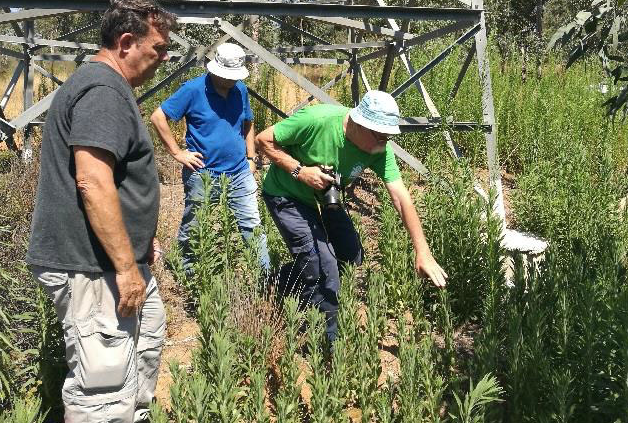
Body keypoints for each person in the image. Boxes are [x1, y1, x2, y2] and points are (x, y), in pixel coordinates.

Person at [26, 0, 176, 423]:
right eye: (159, 49)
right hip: (93, 267)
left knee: (147, 333)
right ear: (127, 42)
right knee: (103, 380)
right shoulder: (104, 90)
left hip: (113, 261)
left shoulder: (107, 89)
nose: (163, 58)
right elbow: (92, 180)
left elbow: (118, 179)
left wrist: (140, 242)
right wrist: (125, 267)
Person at [256, 90, 448, 342]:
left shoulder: (379, 148)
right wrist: (300, 171)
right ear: (358, 123)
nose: (384, 143)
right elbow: (263, 140)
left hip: (324, 200)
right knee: (323, 266)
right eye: (380, 135)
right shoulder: (317, 120)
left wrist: (422, 251)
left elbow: (400, 196)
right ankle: (327, 343)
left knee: (350, 254)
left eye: (388, 136)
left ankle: (277, 283)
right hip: (286, 194)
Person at [150, 43, 269, 276]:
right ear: (214, 70)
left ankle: (265, 279)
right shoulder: (193, 90)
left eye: (235, 77)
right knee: (195, 226)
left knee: (252, 226)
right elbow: (158, 117)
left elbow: (248, 121)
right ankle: (189, 277)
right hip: (203, 173)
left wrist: (251, 157)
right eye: (227, 77)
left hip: (239, 172)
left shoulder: (240, 90)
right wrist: (177, 153)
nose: (231, 81)